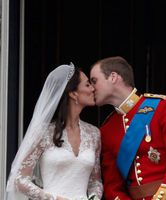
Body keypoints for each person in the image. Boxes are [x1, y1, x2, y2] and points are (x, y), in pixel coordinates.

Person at [90, 56, 166, 200]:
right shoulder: (107, 129)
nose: (91, 88)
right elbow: (112, 187)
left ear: (113, 77)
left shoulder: (163, 107)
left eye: (94, 81)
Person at [6, 63, 103, 200]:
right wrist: (54, 198)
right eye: (87, 85)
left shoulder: (94, 134)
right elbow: (19, 179)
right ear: (73, 93)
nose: (93, 89)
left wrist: (93, 198)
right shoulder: (44, 132)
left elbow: (95, 181)